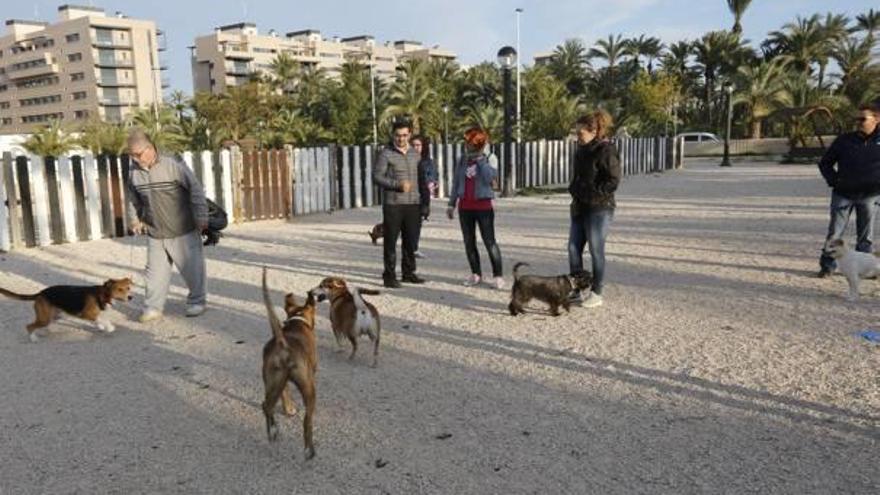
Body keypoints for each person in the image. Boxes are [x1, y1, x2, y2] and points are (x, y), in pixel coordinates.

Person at [126, 128, 209, 322]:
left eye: (138, 155)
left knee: (192, 268)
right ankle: (153, 307)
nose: (136, 159)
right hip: (155, 230)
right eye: (131, 155)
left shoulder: (172, 162)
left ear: (149, 149)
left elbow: (195, 189)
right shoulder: (133, 170)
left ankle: (197, 301)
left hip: (183, 227)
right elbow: (132, 197)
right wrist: (135, 219)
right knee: (154, 273)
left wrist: (201, 216)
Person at [817, 102, 880, 277]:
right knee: (835, 233)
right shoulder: (844, 140)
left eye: (863, 118)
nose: (858, 122)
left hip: (870, 196)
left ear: (877, 119)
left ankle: (866, 269)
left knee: (865, 237)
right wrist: (835, 181)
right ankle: (827, 266)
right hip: (843, 194)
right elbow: (825, 163)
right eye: (856, 119)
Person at [568, 110, 621, 308]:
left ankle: (597, 292)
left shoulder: (606, 150)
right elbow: (577, 177)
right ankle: (577, 289)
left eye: (581, 134)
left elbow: (613, 180)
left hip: (600, 208)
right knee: (573, 248)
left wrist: (594, 193)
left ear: (594, 131)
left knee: (596, 249)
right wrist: (573, 188)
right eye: (576, 133)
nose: (578, 137)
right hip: (579, 206)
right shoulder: (580, 150)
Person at [447, 127, 504, 289]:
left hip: (483, 206)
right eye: (466, 143)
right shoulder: (462, 160)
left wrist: (480, 160)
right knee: (469, 241)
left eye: (470, 143)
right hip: (465, 206)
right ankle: (476, 273)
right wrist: (451, 203)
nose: (467, 146)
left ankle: (498, 275)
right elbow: (457, 182)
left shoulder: (490, 158)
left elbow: (489, 178)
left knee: (489, 241)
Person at [373, 121, 426, 288]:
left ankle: (408, 273)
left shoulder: (415, 154)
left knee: (410, 240)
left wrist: (425, 202)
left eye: (404, 135)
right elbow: (377, 177)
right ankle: (389, 276)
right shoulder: (385, 154)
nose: (401, 138)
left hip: (413, 203)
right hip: (393, 204)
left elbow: (422, 180)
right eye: (398, 135)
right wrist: (397, 184)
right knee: (391, 241)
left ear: (409, 135)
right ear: (393, 135)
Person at [411, 135, 438, 259]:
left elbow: (432, 176)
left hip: (422, 195)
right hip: (409, 194)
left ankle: (414, 248)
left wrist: (431, 184)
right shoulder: (407, 159)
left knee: (418, 222)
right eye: (414, 145)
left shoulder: (428, 162)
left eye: (418, 145)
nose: (416, 147)